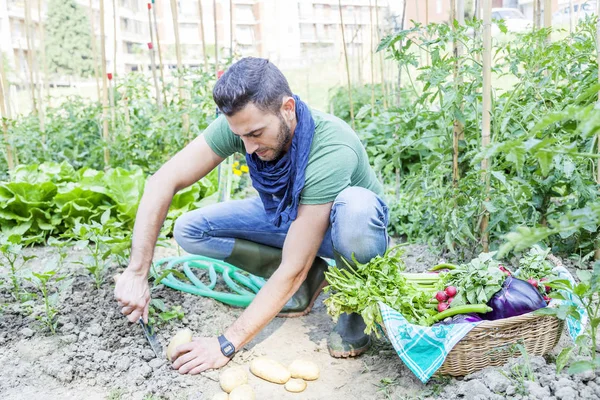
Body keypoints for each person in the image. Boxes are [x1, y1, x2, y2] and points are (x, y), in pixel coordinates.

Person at [114, 57, 389, 375]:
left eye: (256, 133)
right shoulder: (245, 123)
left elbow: (292, 265)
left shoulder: (331, 147)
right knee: (191, 229)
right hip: (292, 212)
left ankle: (354, 305)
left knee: (357, 208)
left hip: (349, 232)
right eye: (240, 136)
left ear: (287, 108)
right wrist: (136, 271)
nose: (247, 148)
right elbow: (163, 180)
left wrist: (226, 342)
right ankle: (313, 278)